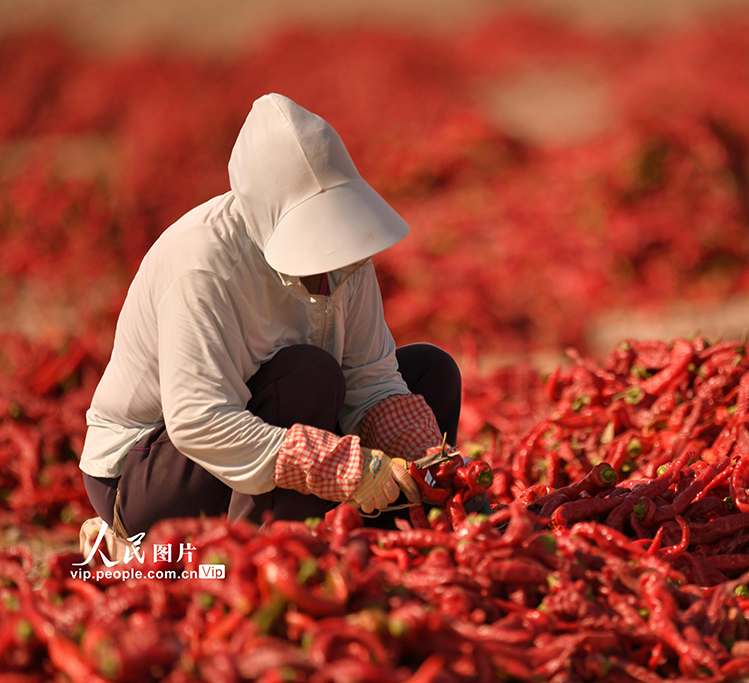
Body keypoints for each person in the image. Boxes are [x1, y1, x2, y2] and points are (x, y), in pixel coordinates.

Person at [78, 93, 469, 544]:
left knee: (431, 370)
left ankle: (403, 535)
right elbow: (199, 421)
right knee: (307, 376)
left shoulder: (347, 259)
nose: (331, 262)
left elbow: (371, 380)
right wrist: (338, 465)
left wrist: (427, 459)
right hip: (150, 472)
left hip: (271, 425)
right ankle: (256, 553)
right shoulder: (204, 266)